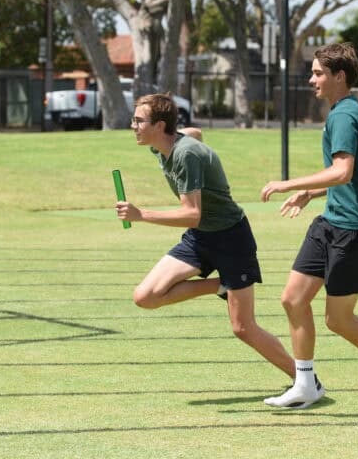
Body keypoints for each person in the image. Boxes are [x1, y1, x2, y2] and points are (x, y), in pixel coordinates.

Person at [260, 43, 358, 413]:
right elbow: (347, 176)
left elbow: (343, 171)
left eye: (318, 73)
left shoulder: (345, 116)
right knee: (293, 298)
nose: (311, 79)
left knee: (339, 319)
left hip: (357, 230)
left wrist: (290, 184)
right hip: (331, 221)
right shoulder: (342, 111)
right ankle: (305, 385)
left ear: (339, 76)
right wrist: (312, 194)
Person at [115, 93, 297, 384]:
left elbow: (192, 214)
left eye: (139, 121)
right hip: (200, 239)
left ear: (160, 126)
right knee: (145, 297)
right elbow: (194, 132)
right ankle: (221, 286)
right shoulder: (164, 145)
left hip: (231, 239)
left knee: (243, 328)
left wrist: (141, 214)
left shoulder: (185, 154)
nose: (133, 125)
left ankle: (304, 380)